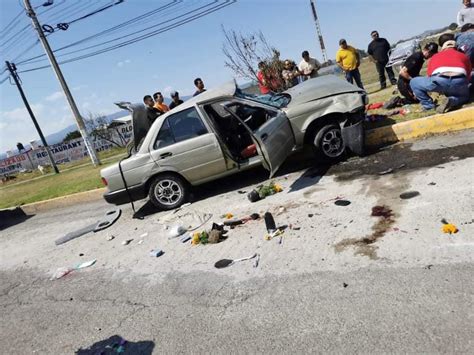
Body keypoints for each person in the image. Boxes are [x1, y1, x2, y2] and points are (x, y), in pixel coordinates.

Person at [410, 33, 471, 113]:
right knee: (464, 97)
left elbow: (429, 76)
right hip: (459, 80)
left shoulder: (435, 56)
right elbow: (468, 76)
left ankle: (429, 105)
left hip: (439, 80)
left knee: (414, 82)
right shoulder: (463, 55)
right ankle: (452, 100)